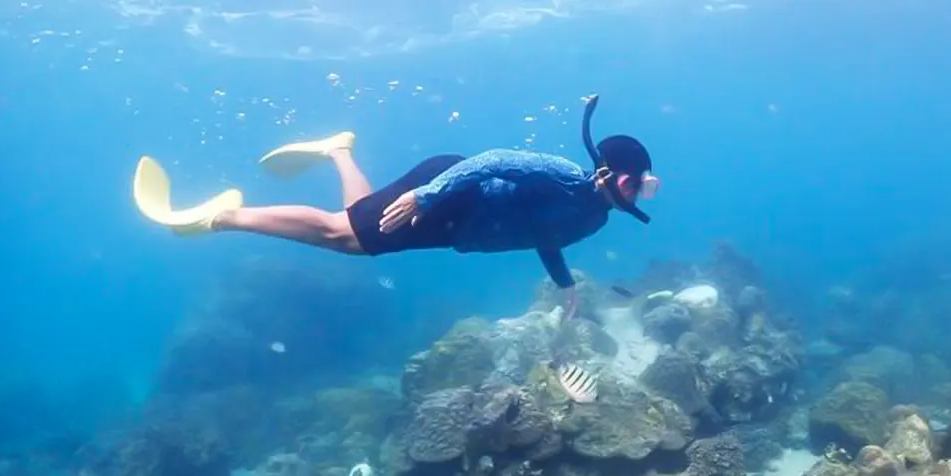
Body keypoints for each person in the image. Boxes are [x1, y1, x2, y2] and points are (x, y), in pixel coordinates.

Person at [133, 95, 659, 316]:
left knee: (359, 229)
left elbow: (547, 236)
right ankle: (224, 214)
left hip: (454, 228)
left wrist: (565, 287)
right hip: (447, 193)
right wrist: (424, 196)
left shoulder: (593, 218)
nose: (638, 196)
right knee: (344, 237)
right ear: (610, 174)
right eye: (637, 185)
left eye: (644, 189)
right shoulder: (567, 177)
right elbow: (495, 158)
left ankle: (338, 149)